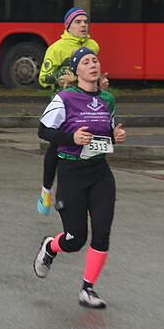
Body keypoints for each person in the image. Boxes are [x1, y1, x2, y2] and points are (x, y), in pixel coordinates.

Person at [32, 47, 126, 309]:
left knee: (102, 232)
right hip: (72, 173)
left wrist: (115, 136)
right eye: (86, 62)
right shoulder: (65, 98)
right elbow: (43, 131)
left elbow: (106, 136)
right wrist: (71, 138)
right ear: (76, 70)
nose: (93, 65)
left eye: (95, 60)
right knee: (75, 240)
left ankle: (88, 288)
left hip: (100, 173)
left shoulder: (107, 99)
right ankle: (51, 246)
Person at [35, 7, 102, 216]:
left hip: (88, 102)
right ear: (68, 26)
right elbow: (43, 78)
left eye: (85, 21)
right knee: (57, 146)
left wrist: (101, 81)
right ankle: (46, 190)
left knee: (90, 144)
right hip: (64, 103)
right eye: (78, 22)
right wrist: (65, 74)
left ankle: (88, 196)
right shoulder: (57, 48)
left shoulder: (93, 46)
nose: (83, 25)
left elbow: (93, 71)